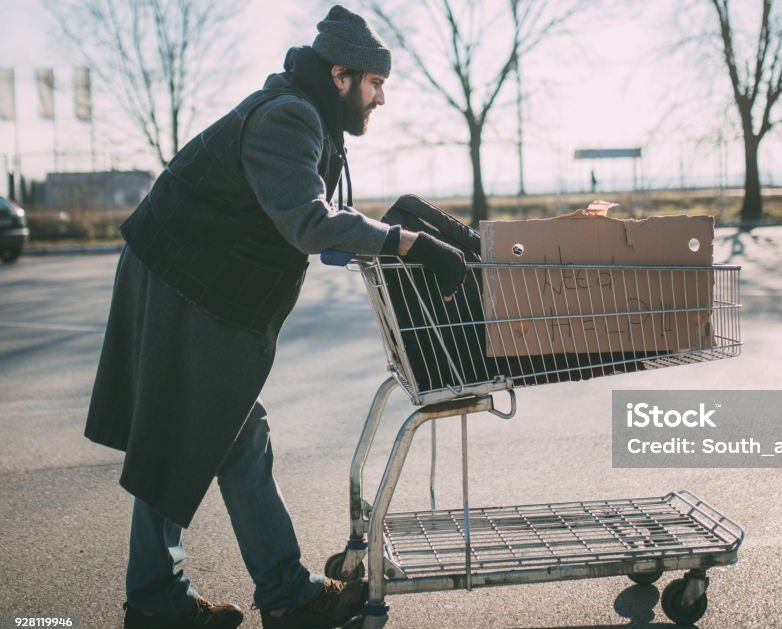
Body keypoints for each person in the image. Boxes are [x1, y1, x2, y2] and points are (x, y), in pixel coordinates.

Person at [85, 5, 465, 629]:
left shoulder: (304, 113)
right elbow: (307, 221)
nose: (381, 99)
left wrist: (382, 235)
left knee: (215, 431)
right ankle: (275, 597)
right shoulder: (288, 116)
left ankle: (185, 597)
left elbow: (299, 211)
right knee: (193, 427)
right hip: (187, 281)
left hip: (196, 279)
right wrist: (407, 242)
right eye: (376, 84)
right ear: (341, 75)